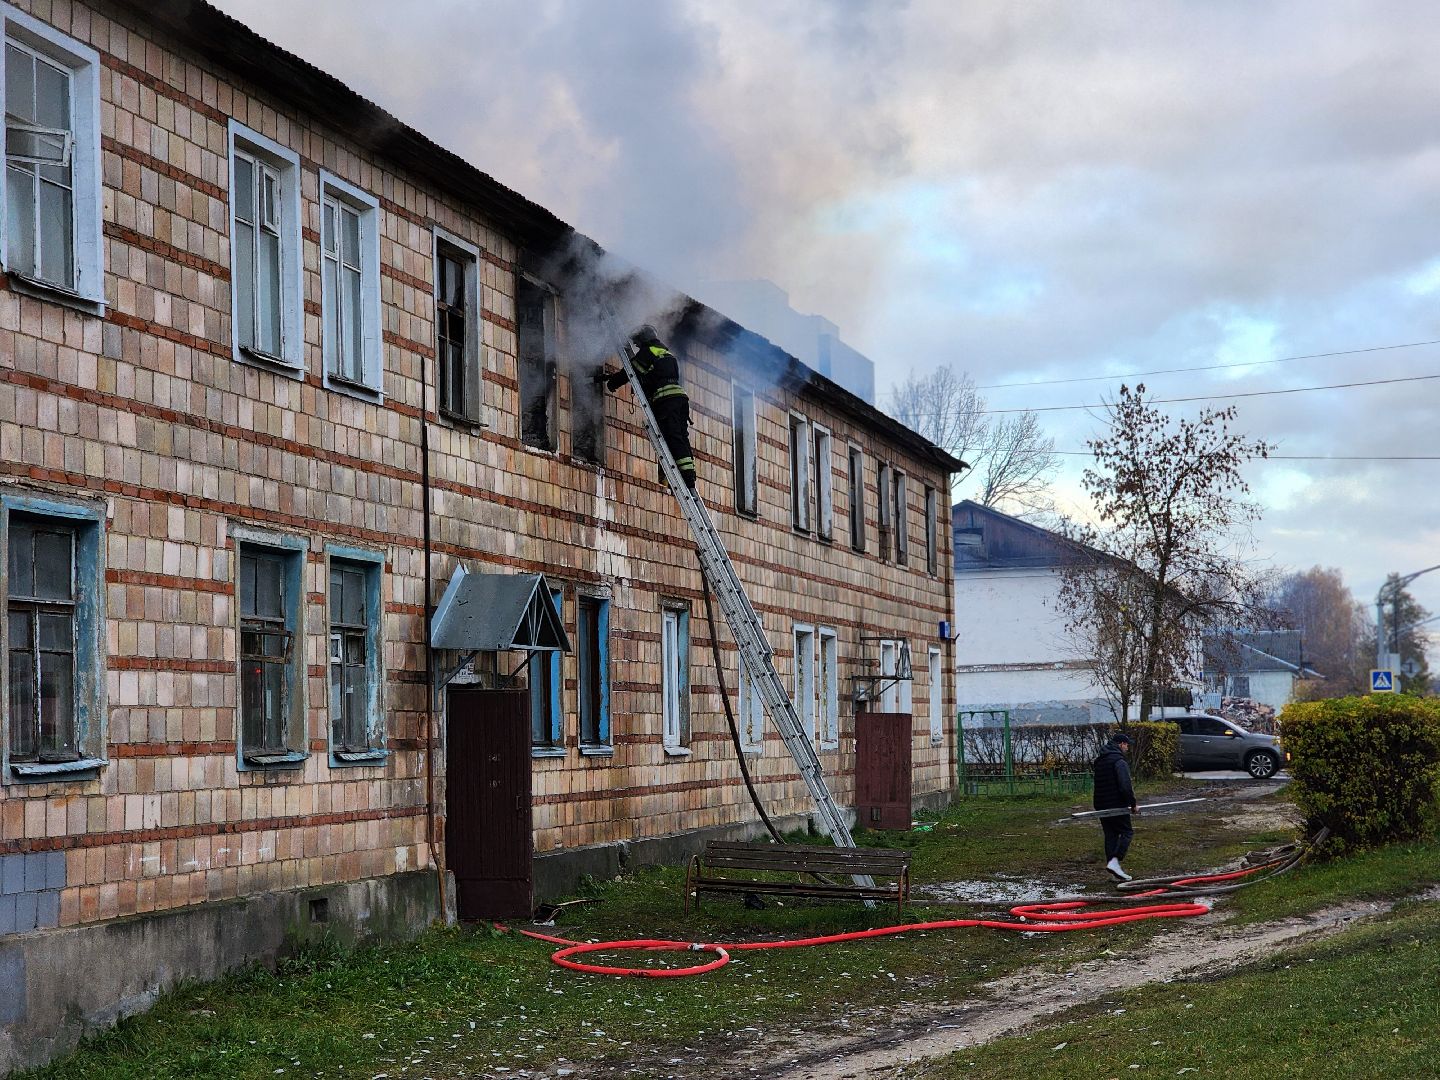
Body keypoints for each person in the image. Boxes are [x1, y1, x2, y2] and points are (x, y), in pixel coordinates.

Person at [597, 325, 697, 489]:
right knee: (680, 436)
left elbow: (631, 371)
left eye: (637, 343)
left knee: (672, 436)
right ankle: (689, 474)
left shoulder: (649, 351)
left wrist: (613, 383)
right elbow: (652, 374)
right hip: (680, 400)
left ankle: (685, 478)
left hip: (667, 400)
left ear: (644, 339)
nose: (637, 347)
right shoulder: (667, 354)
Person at [1092, 732, 1138, 881]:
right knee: (1127, 832)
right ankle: (1115, 861)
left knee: (1111, 835)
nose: (1127, 748)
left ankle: (1114, 873)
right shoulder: (1119, 761)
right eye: (1126, 745)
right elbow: (1125, 786)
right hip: (1116, 804)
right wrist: (1133, 804)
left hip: (1101, 804)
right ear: (1121, 744)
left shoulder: (1100, 760)